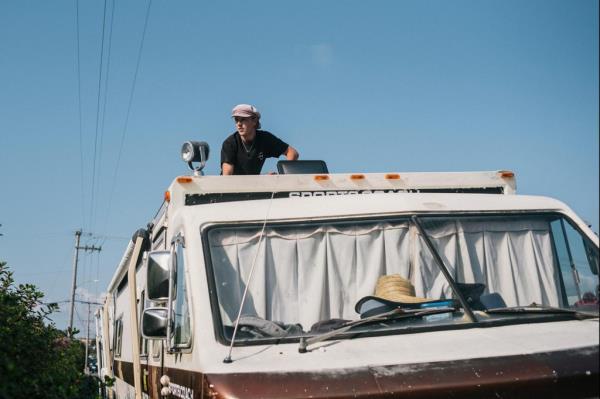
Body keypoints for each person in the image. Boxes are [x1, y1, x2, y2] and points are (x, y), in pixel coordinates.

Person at [221, 104, 299, 175]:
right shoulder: (230, 143)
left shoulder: (265, 138)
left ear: (254, 121)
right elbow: (227, 176)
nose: (239, 124)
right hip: (232, 188)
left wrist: (281, 177)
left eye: (243, 119)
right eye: (236, 120)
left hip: (253, 186)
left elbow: (292, 153)